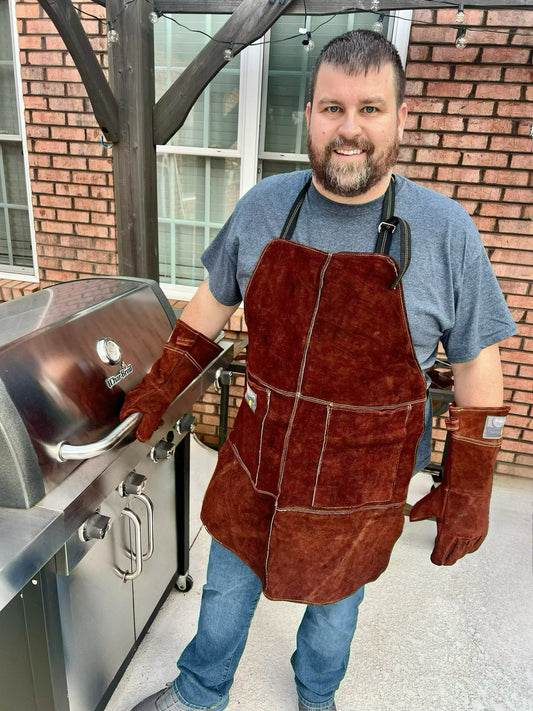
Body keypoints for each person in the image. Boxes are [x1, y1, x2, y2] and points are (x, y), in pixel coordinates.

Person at [122, 29, 516, 711]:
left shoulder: (446, 230)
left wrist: (468, 486)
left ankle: (316, 698)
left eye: (369, 109)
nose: (348, 129)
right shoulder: (264, 207)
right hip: (258, 457)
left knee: (334, 609)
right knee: (223, 589)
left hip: (359, 482)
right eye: (331, 108)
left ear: (399, 118)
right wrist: (160, 384)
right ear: (306, 114)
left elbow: (479, 361)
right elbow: (211, 302)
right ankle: (198, 691)